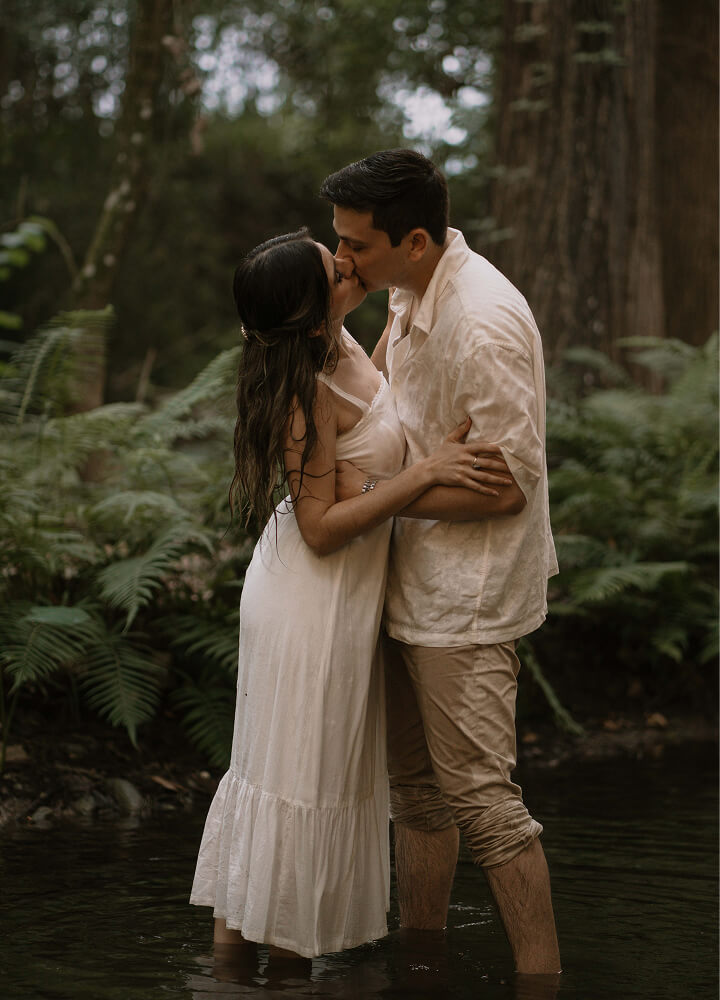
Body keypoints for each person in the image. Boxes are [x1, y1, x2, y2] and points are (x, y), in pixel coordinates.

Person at [189, 228, 512, 960]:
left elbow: (367, 449)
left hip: (344, 597)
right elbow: (320, 528)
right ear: (310, 319)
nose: (346, 264)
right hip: (310, 602)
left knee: (305, 779)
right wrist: (424, 474)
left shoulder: (344, 345)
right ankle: (253, 973)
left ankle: (244, 974)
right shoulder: (306, 392)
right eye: (333, 271)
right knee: (296, 781)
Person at [320, 150, 562, 976]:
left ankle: (542, 983)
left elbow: (510, 489)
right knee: (418, 796)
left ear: (415, 240)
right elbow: (379, 394)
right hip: (401, 575)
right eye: (339, 241)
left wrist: (383, 490)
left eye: (356, 245)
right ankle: (421, 969)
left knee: (486, 807)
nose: (342, 259)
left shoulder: (482, 323)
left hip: (468, 597)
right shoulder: (406, 284)